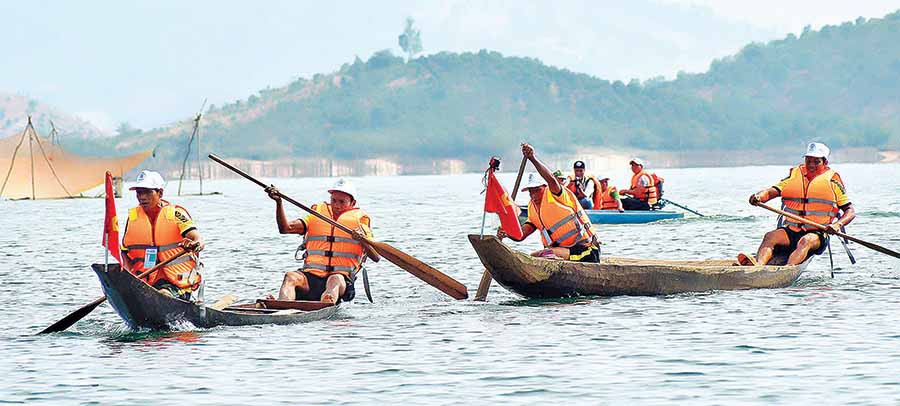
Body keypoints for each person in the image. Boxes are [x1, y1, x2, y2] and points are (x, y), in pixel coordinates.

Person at [738, 142, 856, 266]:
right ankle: (758, 266)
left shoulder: (833, 181)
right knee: (770, 236)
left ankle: (787, 269)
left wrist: (837, 225)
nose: (811, 165)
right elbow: (771, 192)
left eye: (816, 162)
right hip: (791, 231)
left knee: (805, 241)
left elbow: (850, 211)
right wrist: (759, 197)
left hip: (817, 234)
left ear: (825, 162)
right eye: (808, 161)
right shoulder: (794, 175)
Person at [265, 178, 380, 304]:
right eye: (334, 200)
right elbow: (285, 228)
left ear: (353, 203)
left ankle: (325, 303)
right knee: (290, 276)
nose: (337, 205)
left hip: (340, 280)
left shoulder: (360, 224)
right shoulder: (316, 215)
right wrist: (279, 203)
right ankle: (282, 306)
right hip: (311, 278)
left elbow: (375, 257)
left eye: (342, 202)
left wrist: (362, 241)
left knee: (334, 279)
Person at [497, 144, 601, 262]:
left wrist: (532, 158)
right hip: (564, 251)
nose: (533, 195)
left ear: (545, 187)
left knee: (543, 254)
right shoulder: (532, 209)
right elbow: (521, 235)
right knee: (533, 256)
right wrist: (508, 233)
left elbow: (550, 179)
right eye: (531, 191)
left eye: (537, 190)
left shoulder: (555, 193)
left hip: (587, 249)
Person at [121, 170, 205, 300]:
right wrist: (129, 277)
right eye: (139, 192)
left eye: (147, 192)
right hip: (145, 282)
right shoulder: (133, 218)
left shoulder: (176, 213)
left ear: (160, 193)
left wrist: (195, 244)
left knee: (163, 294)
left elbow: (198, 238)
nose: (142, 197)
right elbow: (124, 251)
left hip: (176, 283)